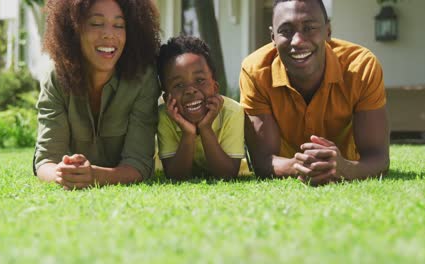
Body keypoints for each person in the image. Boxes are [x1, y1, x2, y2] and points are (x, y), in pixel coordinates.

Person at [240, 0, 389, 185]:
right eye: (285, 31)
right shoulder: (255, 71)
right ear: (272, 37)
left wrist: (344, 168)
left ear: (328, 31)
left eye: (309, 28)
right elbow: (263, 161)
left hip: (346, 161)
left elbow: (378, 158)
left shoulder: (361, 67)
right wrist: (301, 166)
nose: (298, 41)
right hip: (288, 166)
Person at [34, 0, 161, 190]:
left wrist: (95, 176)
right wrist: (63, 174)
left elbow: (139, 165)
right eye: (96, 23)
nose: (109, 34)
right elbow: (45, 160)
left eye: (119, 25)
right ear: (74, 28)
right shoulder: (56, 76)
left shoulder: (143, 79)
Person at [156, 36, 246, 180]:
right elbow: (176, 176)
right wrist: (188, 133)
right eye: (178, 85)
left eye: (199, 80)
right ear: (167, 98)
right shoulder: (165, 116)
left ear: (215, 87)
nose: (190, 90)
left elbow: (227, 174)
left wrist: (205, 128)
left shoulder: (232, 112)